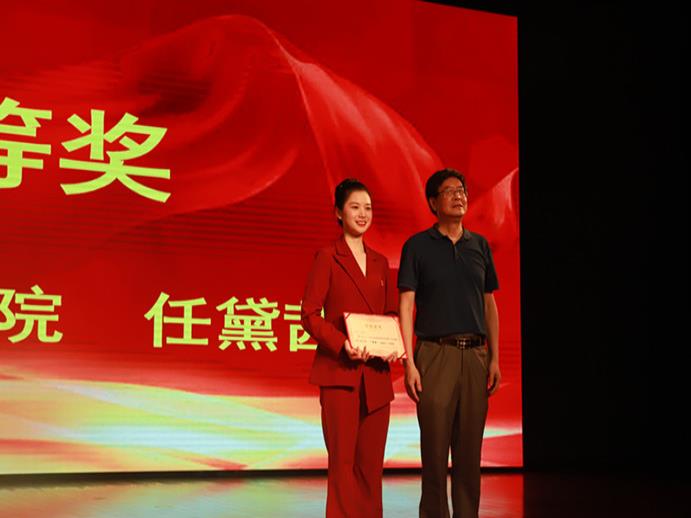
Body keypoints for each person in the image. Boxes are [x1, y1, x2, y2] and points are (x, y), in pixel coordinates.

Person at [398, 168, 501, 518]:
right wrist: (409, 362)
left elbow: (489, 304)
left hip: (474, 356)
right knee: (434, 452)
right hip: (434, 354)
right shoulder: (417, 246)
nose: (459, 196)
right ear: (433, 202)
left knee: (470, 455)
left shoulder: (479, 246)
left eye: (462, 190)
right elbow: (406, 305)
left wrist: (494, 358)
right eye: (449, 191)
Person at [301, 178, 398, 518]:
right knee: (342, 466)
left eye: (368, 208)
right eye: (355, 207)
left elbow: (391, 314)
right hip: (340, 374)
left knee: (371, 467)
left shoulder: (381, 262)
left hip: (376, 375)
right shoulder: (328, 257)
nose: (362, 214)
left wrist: (393, 343)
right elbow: (309, 314)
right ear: (338, 213)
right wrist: (342, 344)